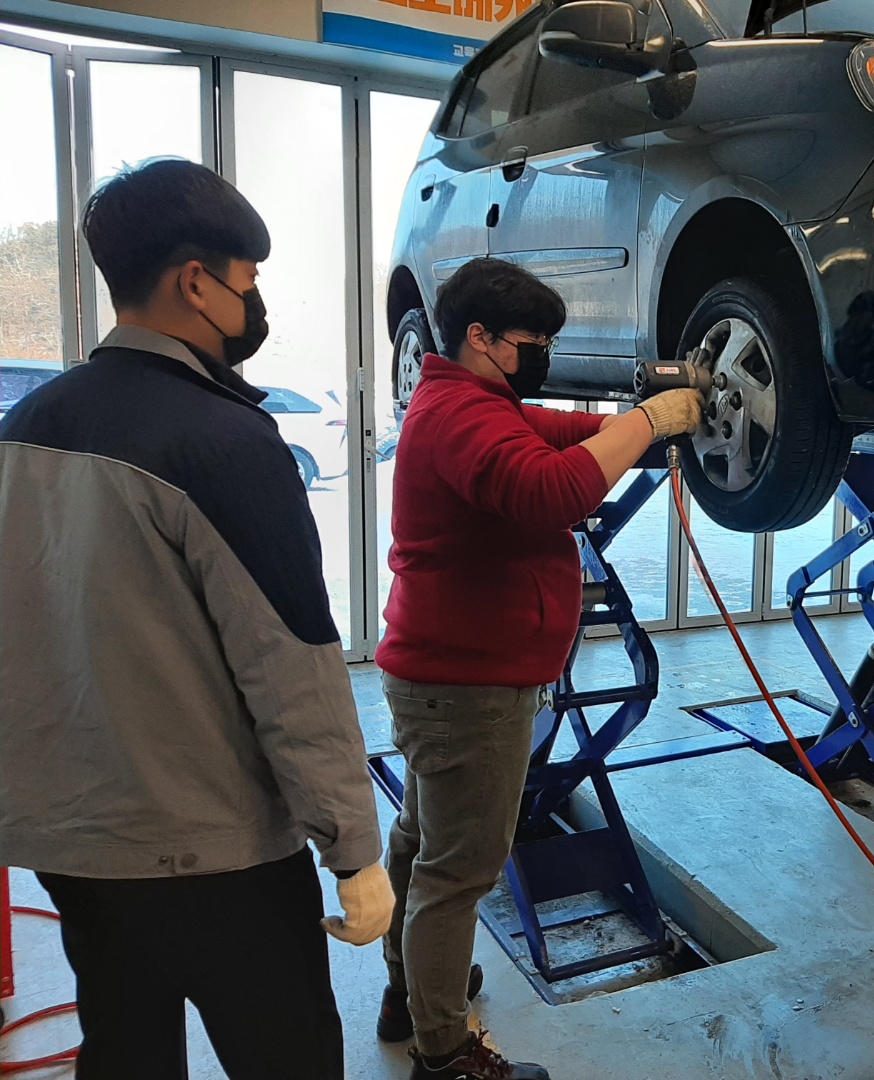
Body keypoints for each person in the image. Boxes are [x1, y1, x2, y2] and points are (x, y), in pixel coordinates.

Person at [0, 158, 393, 1079]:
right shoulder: (226, 444)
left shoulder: (21, 431)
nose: (255, 302)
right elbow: (292, 665)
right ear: (195, 283)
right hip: (219, 855)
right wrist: (354, 849)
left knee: (125, 1050)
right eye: (247, 280)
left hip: (73, 845)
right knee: (286, 1058)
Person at [377, 258, 703, 1080]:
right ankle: (442, 1053)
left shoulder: (469, 401)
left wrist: (633, 427)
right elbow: (554, 491)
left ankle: (411, 992)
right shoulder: (460, 417)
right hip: (469, 690)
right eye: (533, 340)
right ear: (480, 337)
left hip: (443, 677)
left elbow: (553, 433)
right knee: (457, 873)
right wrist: (647, 423)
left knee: (422, 841)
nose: (543, 355)